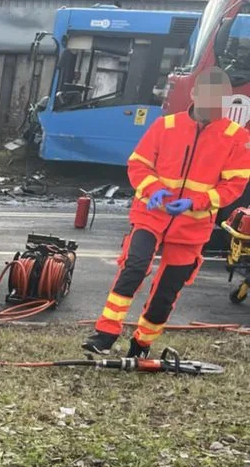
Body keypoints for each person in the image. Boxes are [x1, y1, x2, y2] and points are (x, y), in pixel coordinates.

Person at [84, 67, 250, 357]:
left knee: (167, 291)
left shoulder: (236, 137)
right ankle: (105, 334)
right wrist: (153, 189)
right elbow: (138, 164)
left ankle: (141, 345)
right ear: (195, 94)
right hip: (151, 215)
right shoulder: (166, 126)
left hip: (192, 226)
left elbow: (234, 186)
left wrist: (195, 202)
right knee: (134, 268)